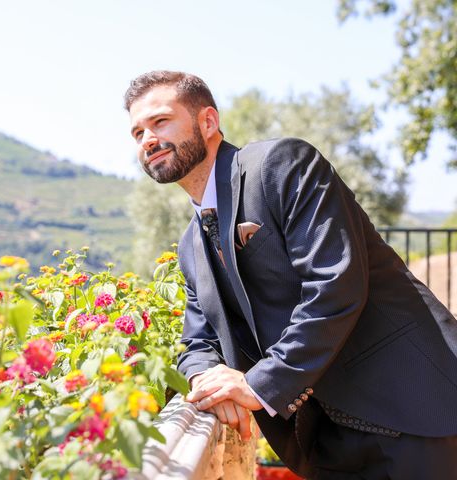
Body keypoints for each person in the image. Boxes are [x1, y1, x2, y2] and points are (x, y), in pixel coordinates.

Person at [124, 70, 457, 479]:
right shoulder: (191, 245)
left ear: (208, 122)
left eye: (160, 122)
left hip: (412, 410)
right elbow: (197, 341)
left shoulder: (281, 165)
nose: (148, 140)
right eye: (138, 133)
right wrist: (207, 382)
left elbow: (335, 284)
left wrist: (258, 385)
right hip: (323, 444)